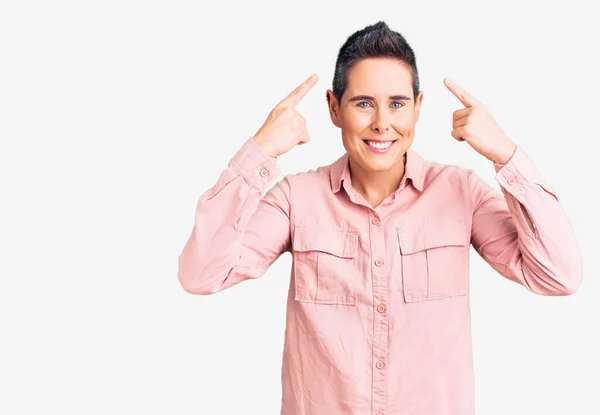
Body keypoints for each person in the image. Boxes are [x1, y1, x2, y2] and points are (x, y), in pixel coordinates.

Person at [177, 21, 582, 415]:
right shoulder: (296, 199)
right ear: (334, 109)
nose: (382, 124)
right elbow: (202, 275)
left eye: (397, 104)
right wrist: (259, 152)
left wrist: (506, 155)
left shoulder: (462, 193)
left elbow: (558, 274)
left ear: (418, 108)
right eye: (363, 103)